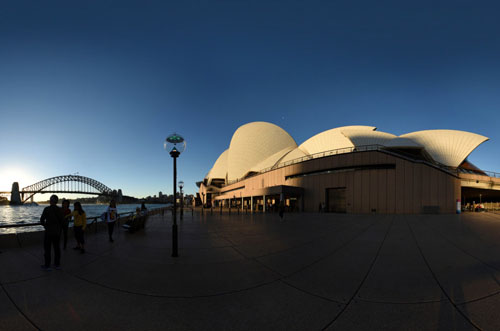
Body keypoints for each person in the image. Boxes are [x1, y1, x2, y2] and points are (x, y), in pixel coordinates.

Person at [40, 195, 64, 270]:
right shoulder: (60, 210)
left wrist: (46, 226)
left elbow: (42, 220)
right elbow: (62, 221)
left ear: (50, 201)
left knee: (47, 249)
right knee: (57, 249)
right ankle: (57, 265)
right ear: (56, 201)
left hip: (49, 232)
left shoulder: (46, 209)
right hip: (57, 232)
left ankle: (47, 266)